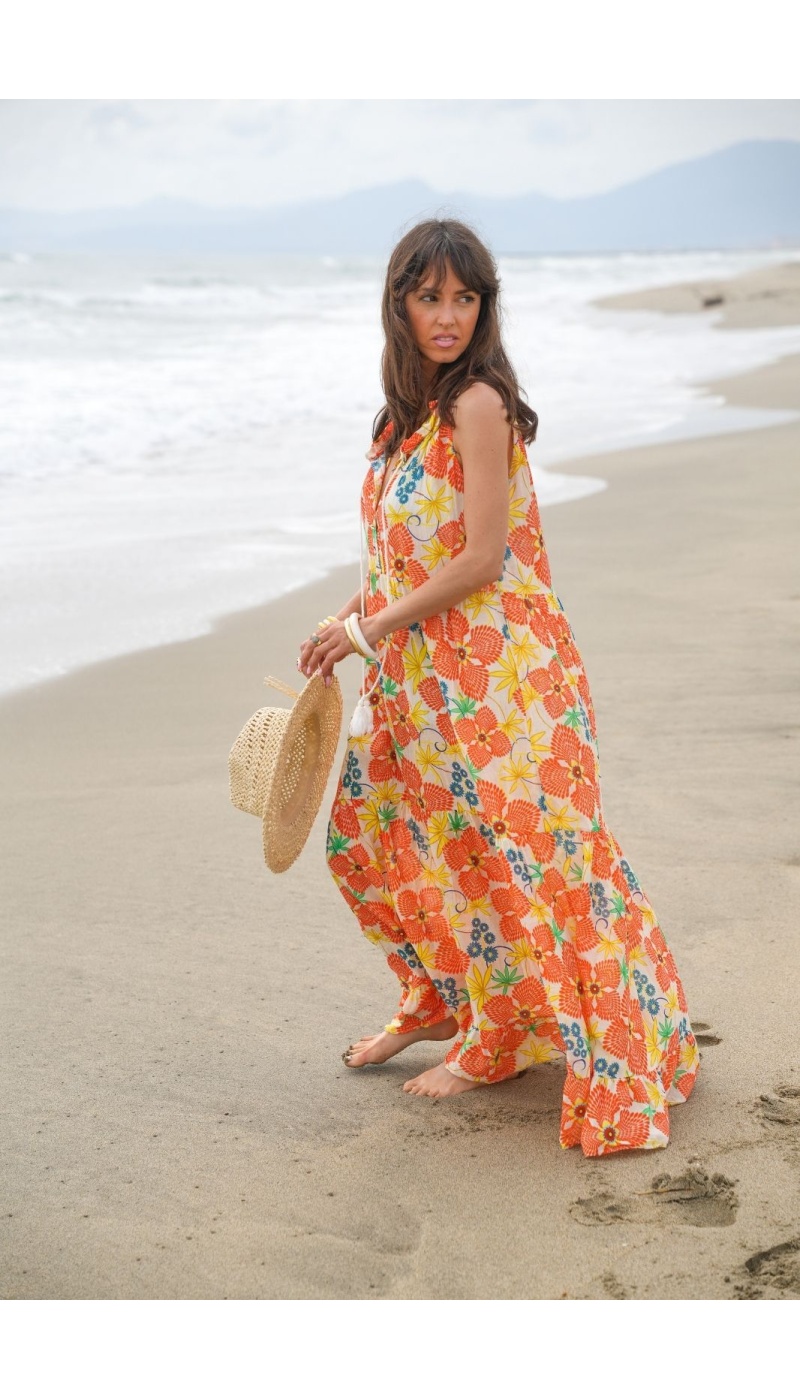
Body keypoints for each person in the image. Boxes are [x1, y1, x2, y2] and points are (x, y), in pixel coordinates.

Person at [296, 218, 700, 1157]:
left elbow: (481, 560)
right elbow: (410, 557)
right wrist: (346, 620)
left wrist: (370, 629)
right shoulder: (404, 418)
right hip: (427, 675)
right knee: (397, 846)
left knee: (541, 861)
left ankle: (508, 1042)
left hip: (503, 677)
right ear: (399, 302)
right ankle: (459, 1009)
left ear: (485, 307)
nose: (447, 316)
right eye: (429, 296)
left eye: (464, 298)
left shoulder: (477, 402)